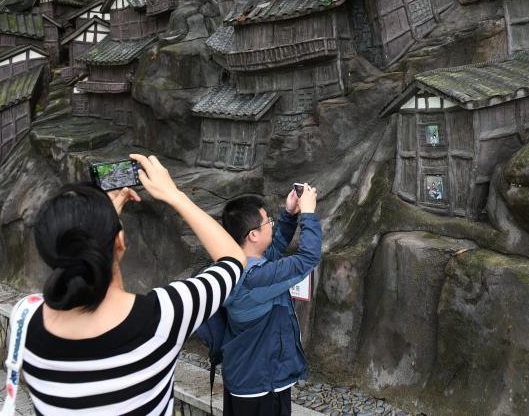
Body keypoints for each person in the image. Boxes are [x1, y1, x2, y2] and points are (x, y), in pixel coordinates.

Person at [19, 154, 247, 414]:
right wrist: (174, 195)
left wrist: (102, 226)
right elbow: (233, 259)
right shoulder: (164, 315)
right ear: (120, 242)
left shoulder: (25, 317)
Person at [216, 184, 322, 416]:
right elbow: (308, 258)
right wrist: (308, 214)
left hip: (245, 378)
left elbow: (272, 251)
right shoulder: (255, 279)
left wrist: (289, 214)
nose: (272, 225)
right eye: (268, 222)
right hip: (262, 386)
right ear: (253, 235)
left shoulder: (236, 265)